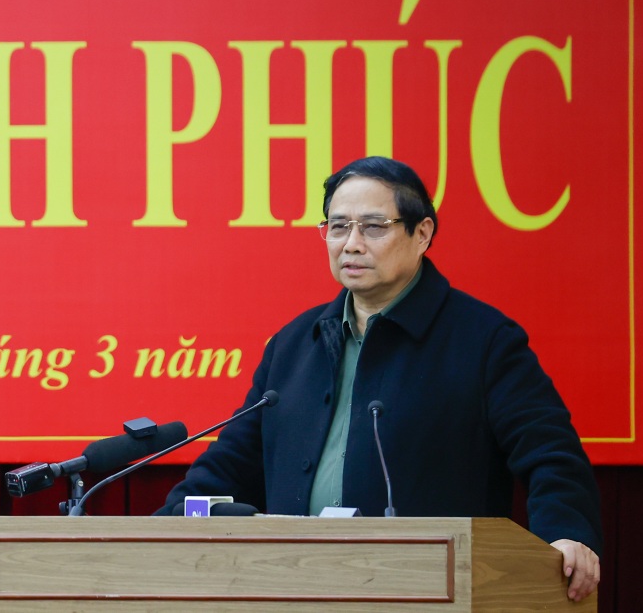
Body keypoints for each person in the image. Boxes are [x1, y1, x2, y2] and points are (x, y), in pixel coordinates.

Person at [155, 156, 602, 602]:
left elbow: (551, 454)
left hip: (432, 590)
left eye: (373, 227)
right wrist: (154, 533)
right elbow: (229, 464)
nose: (351, 245)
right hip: (293, 588)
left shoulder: (483, 341)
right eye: (338, 226)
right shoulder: (293, 345)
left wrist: (565, 534)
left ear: (421, 233)